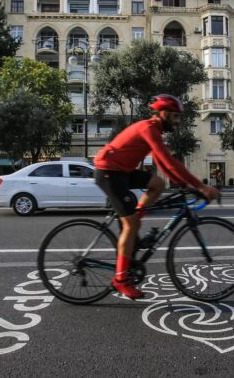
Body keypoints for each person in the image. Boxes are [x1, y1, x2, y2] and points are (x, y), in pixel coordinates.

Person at [94, 94, 220, 300]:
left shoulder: (154, 131)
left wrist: (181, 184)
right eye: (175, 116)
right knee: (130, 225)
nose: (177, 121)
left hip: (122, 171)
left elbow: (162, 164)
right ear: (163, 113)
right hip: (109, 172)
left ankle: (135, 227)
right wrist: (200, 186)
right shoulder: (148, 128)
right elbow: (168, 162)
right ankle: (120, 280)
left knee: (158, 184)